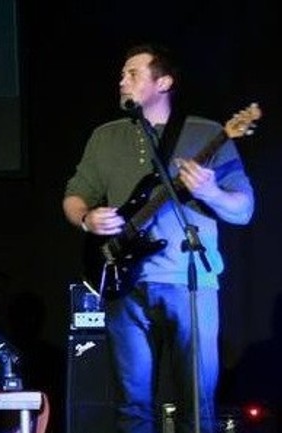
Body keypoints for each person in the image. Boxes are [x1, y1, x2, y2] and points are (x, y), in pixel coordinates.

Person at [63, 43, 255, 433]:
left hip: (189, 282)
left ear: (163, 82)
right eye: (121, 74)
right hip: (124, 284)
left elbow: (244, 209)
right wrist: (86, 218)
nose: (122, 80)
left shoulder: (207, 133)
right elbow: (74, 194)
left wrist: (210, 192)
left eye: (132, 73)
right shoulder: (106, 137)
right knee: (132, 407)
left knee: (196, 406)